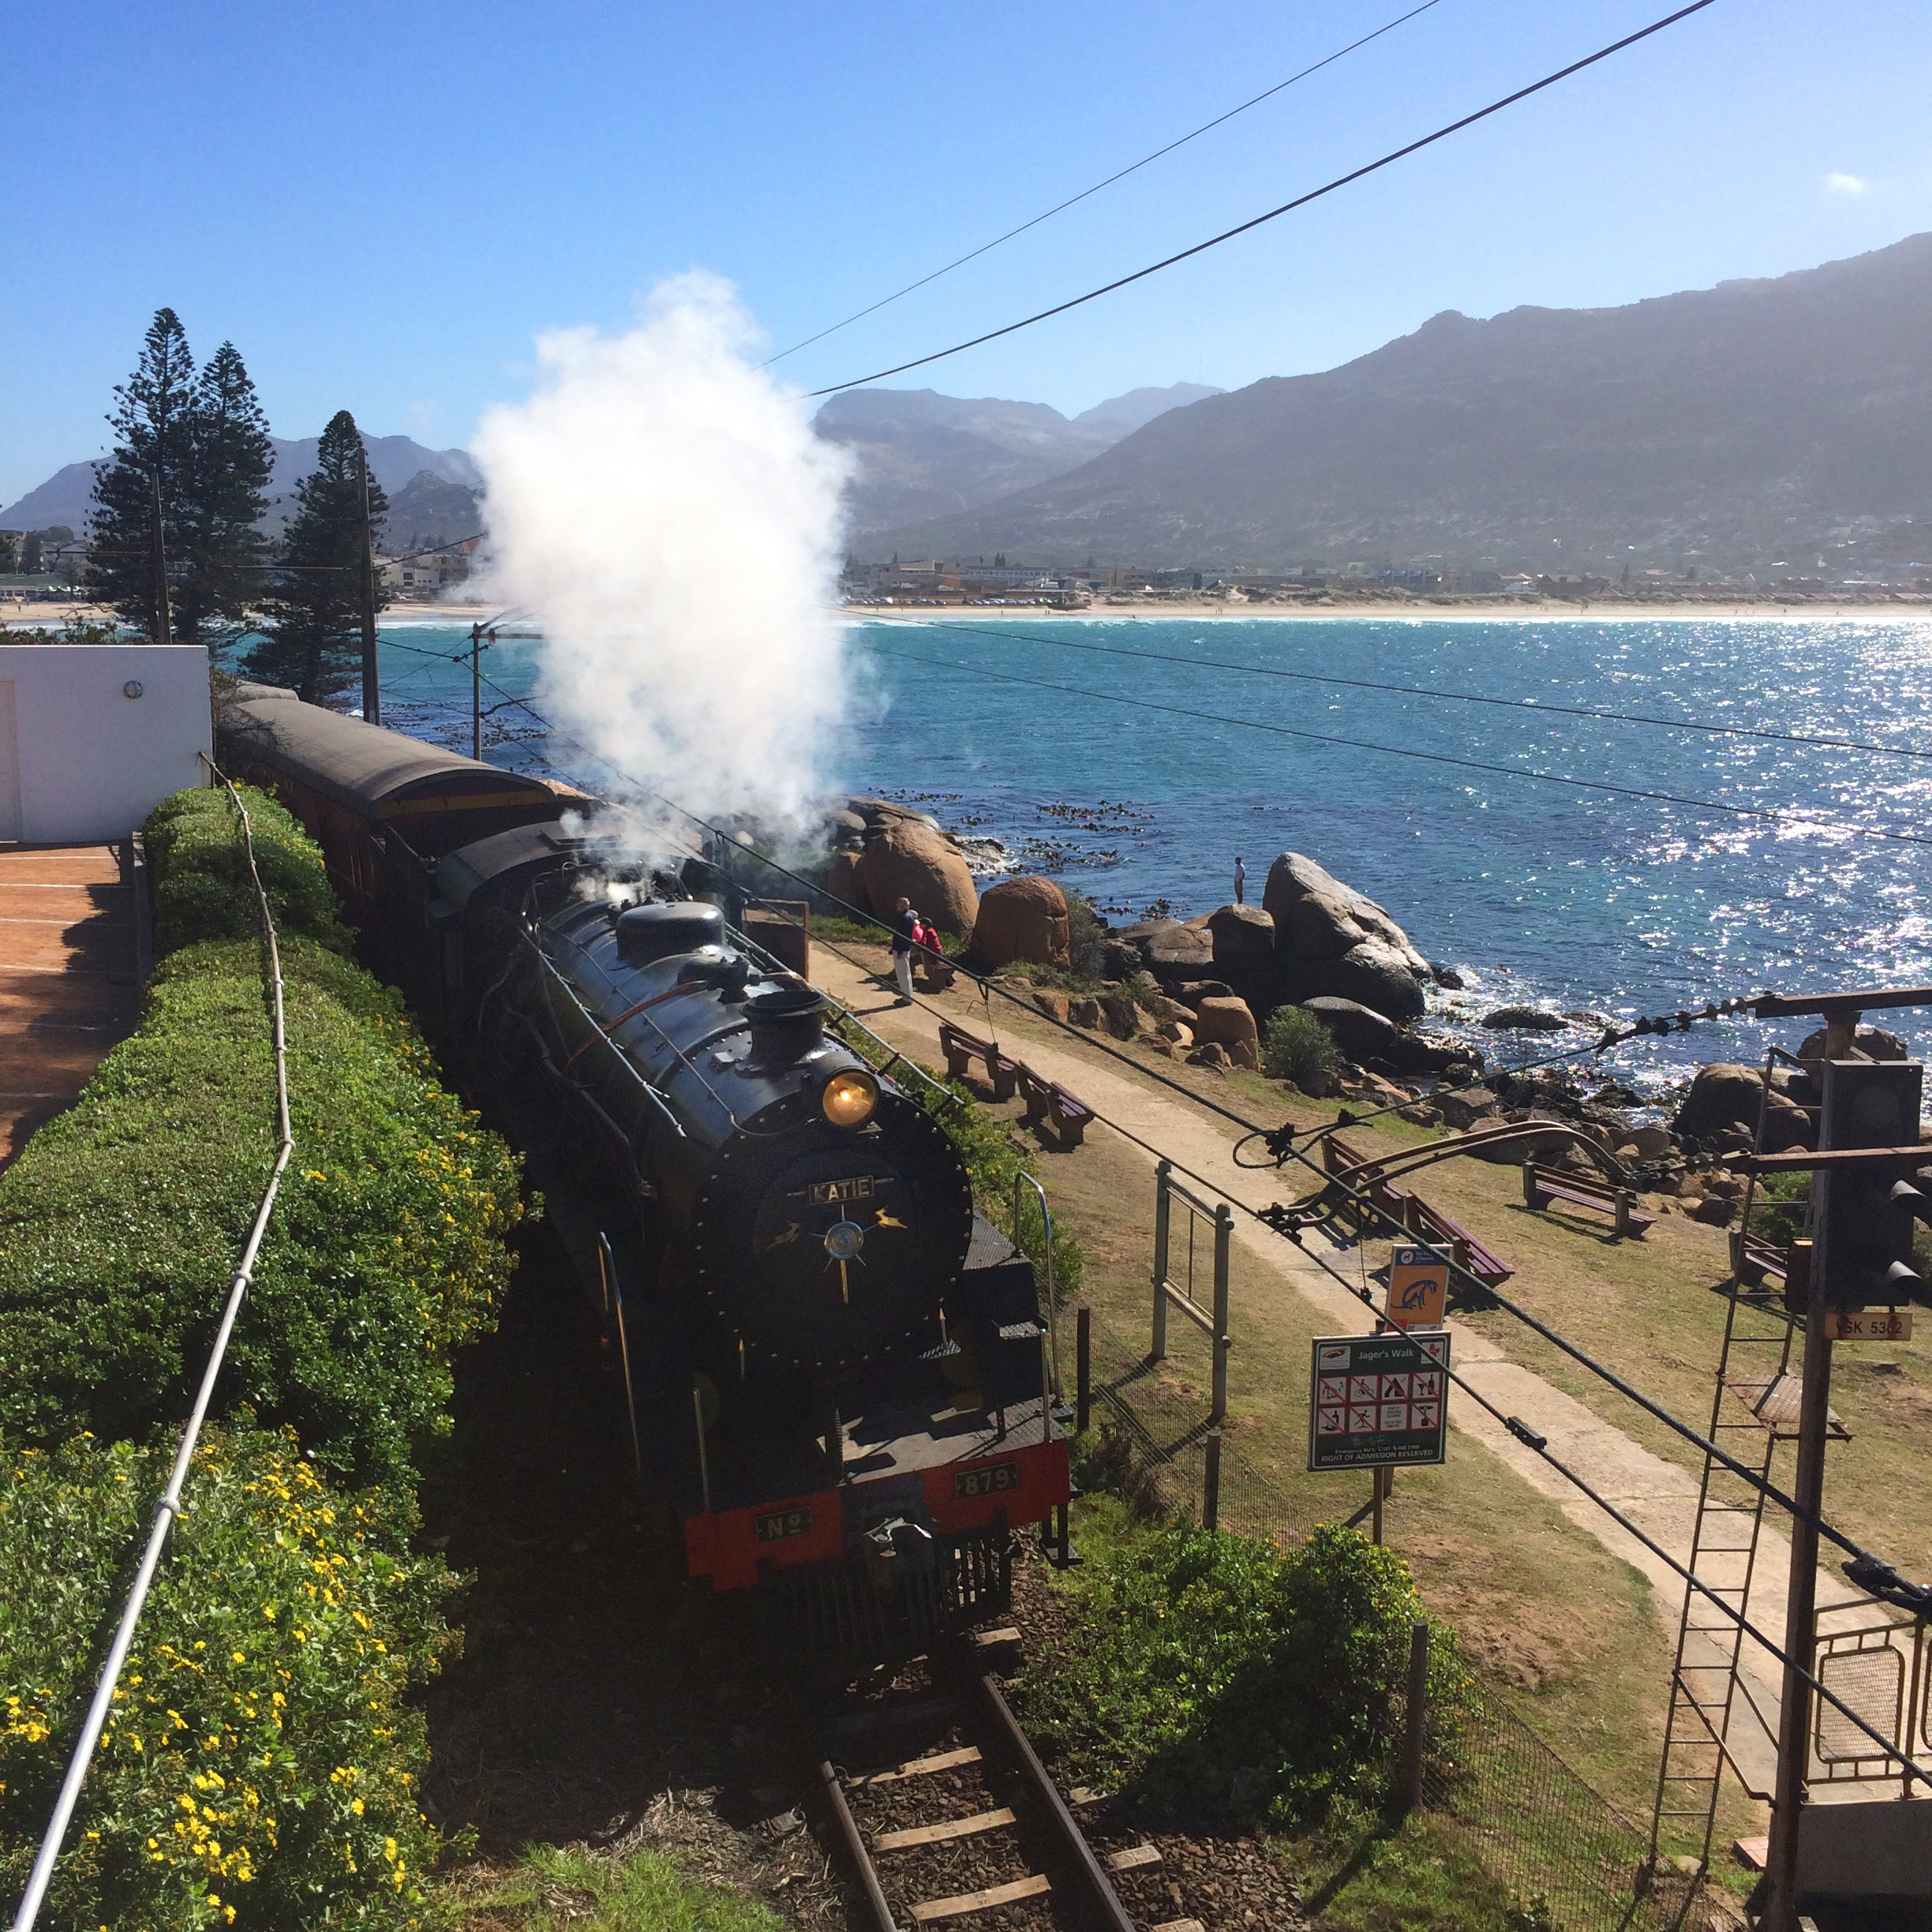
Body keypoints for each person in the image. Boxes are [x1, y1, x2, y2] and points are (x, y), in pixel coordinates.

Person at [889, 896, 919, 1003]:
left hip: (901, 949)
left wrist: (899, 951)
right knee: (906, 973)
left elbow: (901, 936)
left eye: (898, 905)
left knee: (902, 974)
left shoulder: (903, 918)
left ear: (902, 906)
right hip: (906, 948)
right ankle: (908, 996)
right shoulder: (910, 915)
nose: (896, 906)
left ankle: (906, 999)